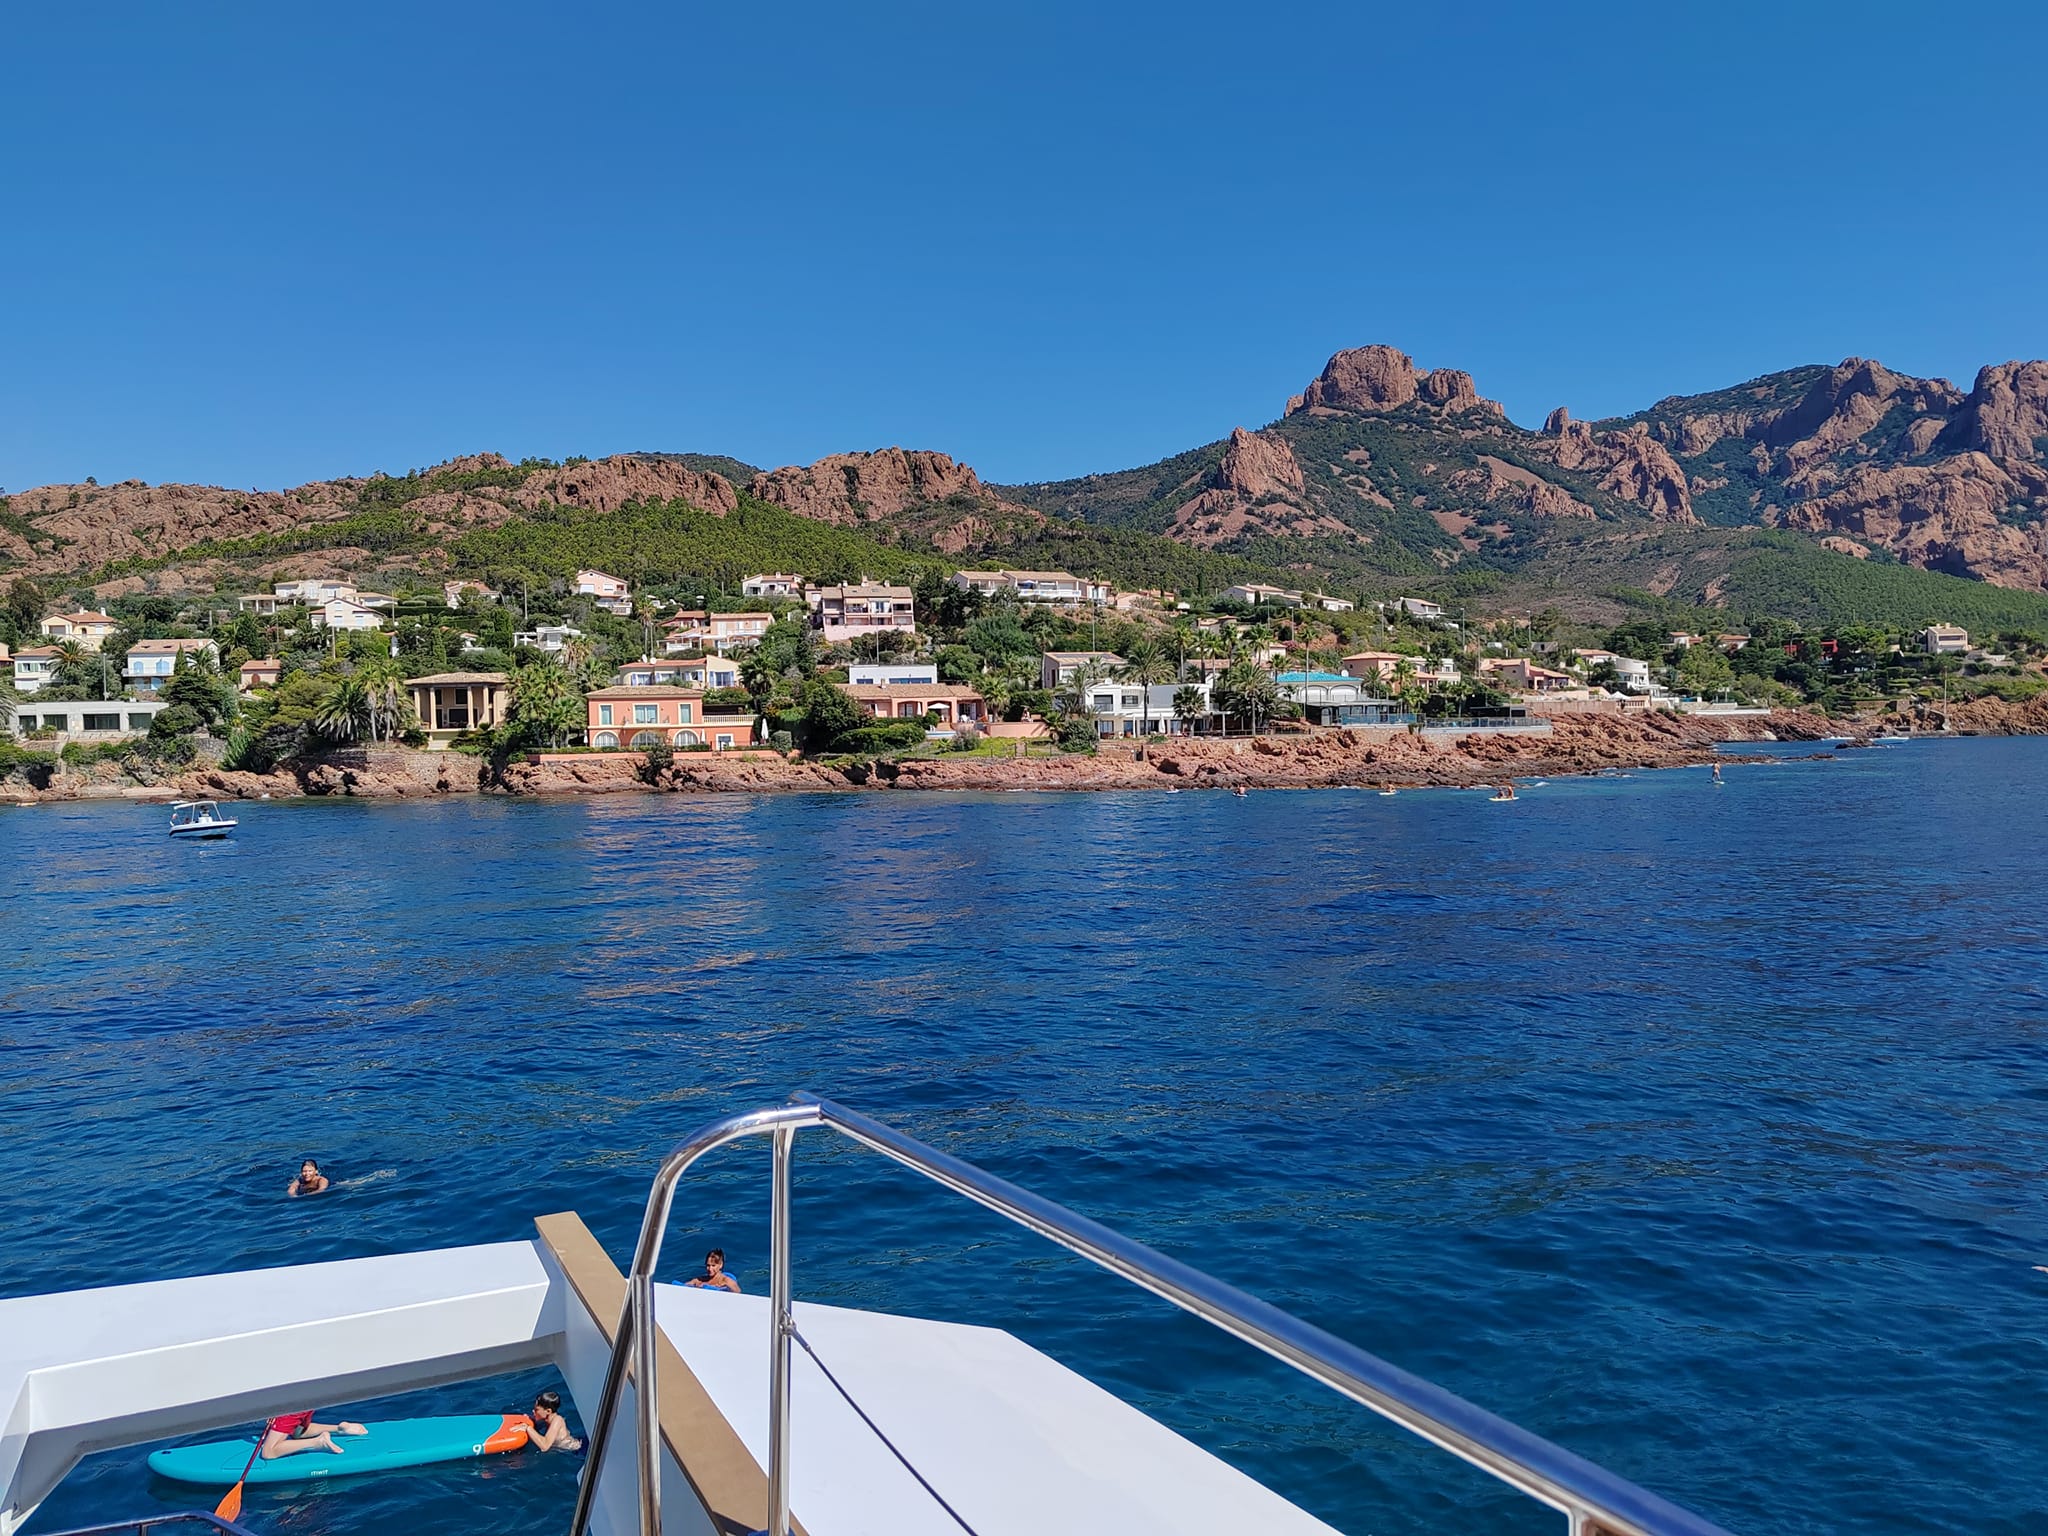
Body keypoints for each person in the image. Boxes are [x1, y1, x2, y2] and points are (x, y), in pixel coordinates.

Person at [260, 1411, 366, 1459]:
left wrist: (273, 1408)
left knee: (268, 1452)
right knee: (298, 1433)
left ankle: (317, 1442)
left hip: (290, 1406)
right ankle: (339, 1429)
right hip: (306, 1404)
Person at [517, 1390, 582, 1452]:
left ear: (548, 1411)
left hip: (577, 1451)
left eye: (536, 1410)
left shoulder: (557, 1420)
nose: (533, 1411)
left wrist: (528, 1428)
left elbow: (545, 1446)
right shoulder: (546, 1420)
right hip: (562, 1449)